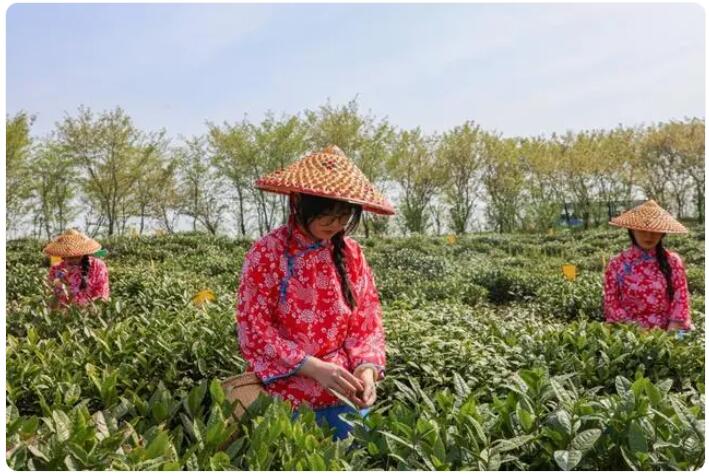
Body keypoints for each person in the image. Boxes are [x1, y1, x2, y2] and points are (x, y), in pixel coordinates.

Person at [236, 145, 394, 439]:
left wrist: (367, 372)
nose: (336, 225)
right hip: (285, 393)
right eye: (327, 216)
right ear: (299, 203)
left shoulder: (351, 254)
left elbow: (366, 323)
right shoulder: (268, 252)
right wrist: (313, 367)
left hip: (345, 395)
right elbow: (253, 327)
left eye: (343, 216)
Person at [603, 200, 693, 332]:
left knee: (684, 337)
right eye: (642, 230)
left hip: (669, 331)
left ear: (662, 233)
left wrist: (670, 334)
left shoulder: (672, 261)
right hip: (628, 332)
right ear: (632, 230)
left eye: (655, 230)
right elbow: (611, 303)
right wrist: (634, 332)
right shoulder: (617, 264)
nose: (649, 235)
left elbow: (681, 299)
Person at [43, 229, 110, 310]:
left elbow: (102, 294)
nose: (74, 259)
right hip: (63, 313)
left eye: (77, 256)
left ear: (83, 252)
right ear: (63, 255)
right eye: (70, 256)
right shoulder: (56, 268)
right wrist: (59, 288)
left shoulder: (97, 265)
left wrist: (88, 309)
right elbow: (51, 297)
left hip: (90, 312)